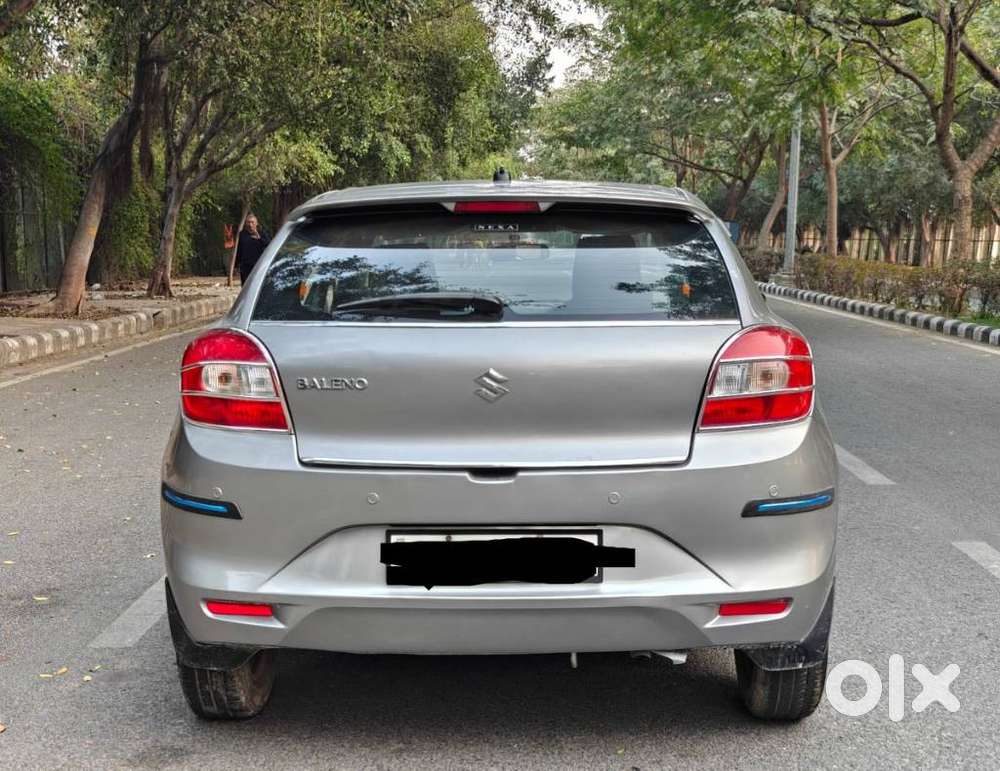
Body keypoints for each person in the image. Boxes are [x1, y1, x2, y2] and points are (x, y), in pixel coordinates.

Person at [236, 214, 270, 284]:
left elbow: (268, 244)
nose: (250, 224)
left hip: (258, 265)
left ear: (256, 223)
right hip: (245, 266)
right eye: (248, 222)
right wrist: (237, 264)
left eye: (252, 222)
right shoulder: (242, 234)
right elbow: (239, 250)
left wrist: (259, 238)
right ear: (245, 223)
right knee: (245, 285)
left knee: (256, 284)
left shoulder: (262, 233)